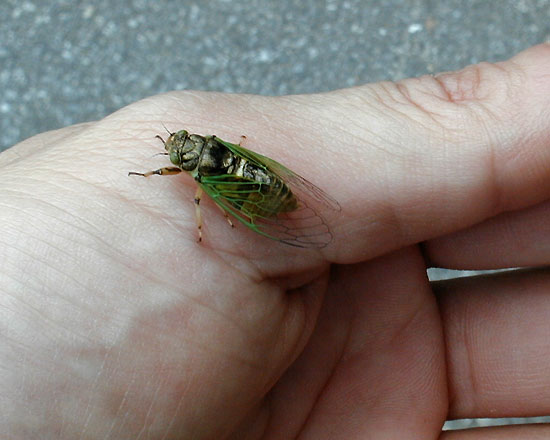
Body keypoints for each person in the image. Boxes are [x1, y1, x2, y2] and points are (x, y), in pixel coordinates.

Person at [2, 44, 550, 439]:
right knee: (238, 190)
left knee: (222, 198)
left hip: (249, 186)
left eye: (183, 150)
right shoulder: (205, 159)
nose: (181, 151)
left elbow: (203, 199)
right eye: (181, 152)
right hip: (249, 177)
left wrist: (205, 217)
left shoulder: (195, 176)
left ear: (189, 155)